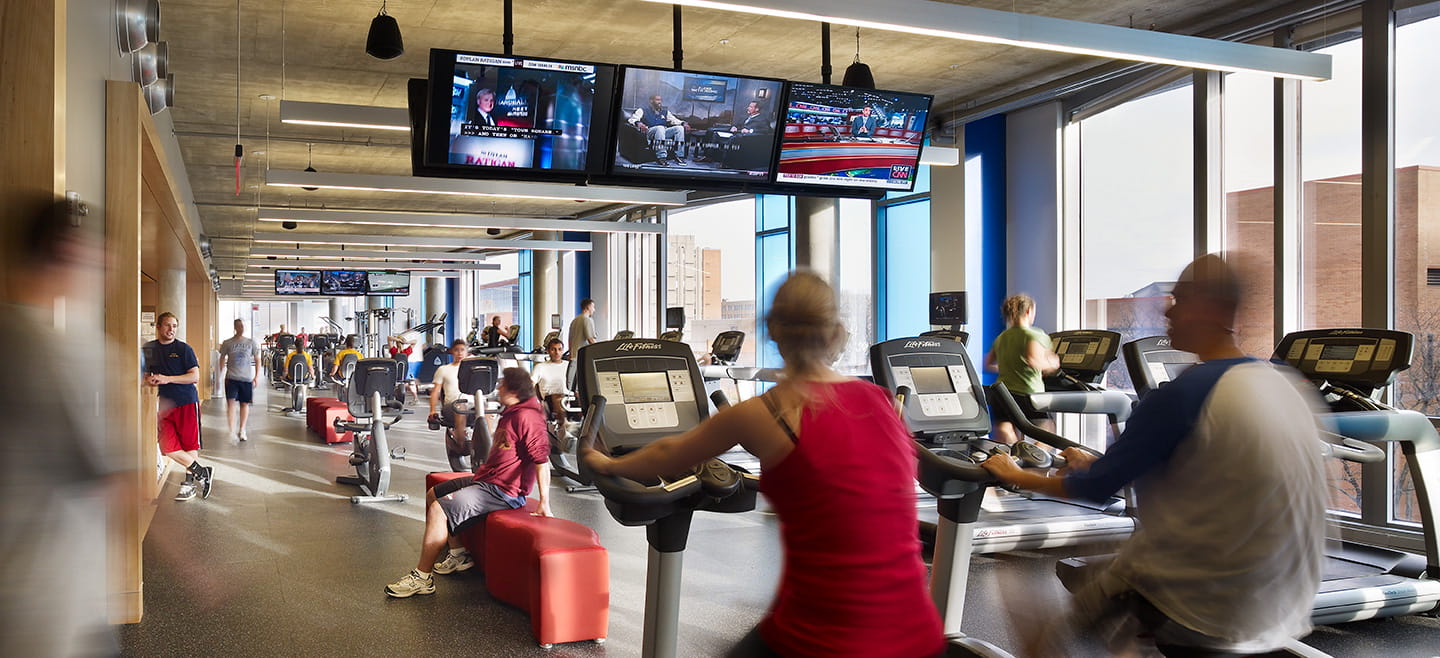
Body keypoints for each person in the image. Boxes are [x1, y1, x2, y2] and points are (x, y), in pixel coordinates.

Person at [580, 270, 944, 657]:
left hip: (826, 636)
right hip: (917, 632)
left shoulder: (765, 413)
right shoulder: (880, 400)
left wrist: (604, 462)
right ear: (836, 331)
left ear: (772, 330)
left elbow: (669, 454)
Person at [980, 254, 1327, 657]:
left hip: (1210, 609)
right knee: (1113, 569)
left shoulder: (1184, 394)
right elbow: (1203, 468)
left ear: (1208, 308)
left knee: (1093, 585)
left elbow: (1094, 488)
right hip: (1287, 601)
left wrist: (1015, 475)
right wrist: (1095, 466)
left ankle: (1045, 644)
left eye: (1179, 300)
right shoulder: (1279, 382)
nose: (1167, 310)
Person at [1, 195, 117, 655]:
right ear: (69, 253)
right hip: (42, 592)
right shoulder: (48, 352)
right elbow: (93, 473)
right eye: (97, 254)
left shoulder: (31, 339)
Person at [386, 367, 553, 598]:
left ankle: (422, 578)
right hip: (486, 480)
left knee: (438, 510)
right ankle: (458, 554)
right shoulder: (512, 411)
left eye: (502, 384)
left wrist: (545, 502)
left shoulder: (528, 416)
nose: (498, 387)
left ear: (513, 389)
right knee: (435, 494)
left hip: (502, 492)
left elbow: (542, 460)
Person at [144, 311, 214, 501]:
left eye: (174, 326)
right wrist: (148, 379)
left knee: (189, 444)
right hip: (164, 405)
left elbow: (194, 376)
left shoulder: (184, 349)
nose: (171, 329)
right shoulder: (148, 349)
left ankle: (189, 485)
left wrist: (167, 379)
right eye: (167, 325)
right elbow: (143, 373)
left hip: (186, 401)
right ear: (158, 327)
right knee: (167, 447)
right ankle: (202, 472)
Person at [983, 293, 1060, 445]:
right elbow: (1033, 360)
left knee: (1006, 430)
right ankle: (1032, 462)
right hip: (1028, 395)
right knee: (1048, 431)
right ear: (1028, 311)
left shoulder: (1002, 337)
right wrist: (1053, 364)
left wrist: (1009, 366)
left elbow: (987, 364)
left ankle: (1013, 458)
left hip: (1003, 396)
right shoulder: (1034, 334)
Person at [429, 340, 474, 468]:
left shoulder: (472, 369)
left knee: (487, 409)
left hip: (472, 405)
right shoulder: (444, 369)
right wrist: (432, 410)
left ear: (467, 352)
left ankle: (488, 447)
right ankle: (461, 446)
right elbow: (435, 392)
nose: (459, 353)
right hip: (452, 406)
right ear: (452, 352)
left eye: (462, 350)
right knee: (461, 406)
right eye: (456, 350)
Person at [218, 318, 260, 441]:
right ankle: (231, 430)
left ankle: (242, 429)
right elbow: (221, 358)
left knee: (244, 404)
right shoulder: (227, 343)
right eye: (239, 326)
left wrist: (256, 376)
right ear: (235, 327)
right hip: (231, 377)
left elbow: (257, 359)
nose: (241, 328)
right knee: (230, 404)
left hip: (246, 378)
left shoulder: (251, 343)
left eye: (243, 326)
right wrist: (219, 375)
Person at [628, 94, 688, 165]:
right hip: (650, 131)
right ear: (651, 101)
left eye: (660, 100)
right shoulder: (642, 110)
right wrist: (639, 123)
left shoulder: (665, 112)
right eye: (657, 100)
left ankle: (679, 156)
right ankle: (661, 157)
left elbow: (674, 120)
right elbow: (632, 119)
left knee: (679, 128)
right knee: (660, 127)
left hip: (663, 132)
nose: (659, 102)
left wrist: (683, 123)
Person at [531, 338, 571, 437]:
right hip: (550, 399)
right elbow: (531, 383)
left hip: (569, 397)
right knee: (557, 398)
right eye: (553, 349)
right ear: (548, 351)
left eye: (559, 349)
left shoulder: (569, 366)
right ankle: (565, 428)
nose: (557, 352)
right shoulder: (540, 367)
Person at [567, 299, 598, 389]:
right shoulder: (587, 320)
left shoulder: (575, 320)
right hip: (582, 356)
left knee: (571, 383)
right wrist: (598, 350)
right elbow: (590, 338)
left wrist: (570, 352)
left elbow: (570, 339)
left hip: (574, 355)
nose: (594, 310)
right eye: (593, 307)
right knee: (580, 384)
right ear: (588, 307)